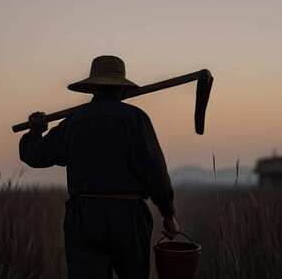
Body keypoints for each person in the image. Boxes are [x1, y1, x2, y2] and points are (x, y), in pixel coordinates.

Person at [19, 55, 180, 279]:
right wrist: (168, 214)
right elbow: (156, 172)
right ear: (122, 90)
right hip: (129, 217)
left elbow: (35, 156)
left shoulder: (75, 121)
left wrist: (35, 131)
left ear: (92, 88)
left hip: (85, 217)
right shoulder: (137, 119)